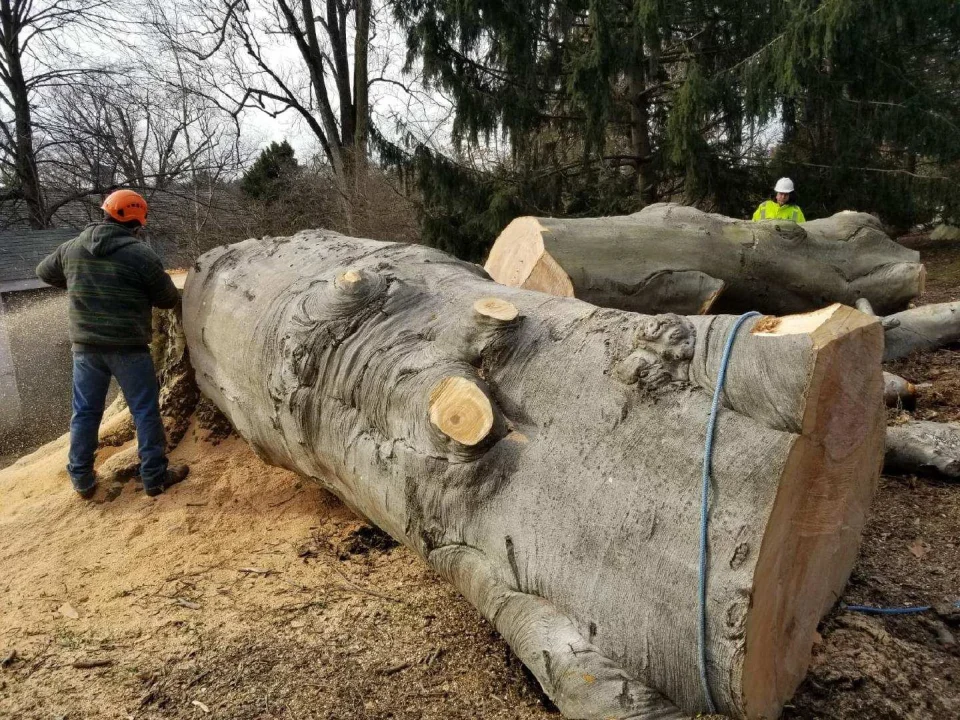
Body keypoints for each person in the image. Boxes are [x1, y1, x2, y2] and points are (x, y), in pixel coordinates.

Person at [36, 189, 189, 500]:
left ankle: (81, 479)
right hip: (128, 348)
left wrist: (81, 280)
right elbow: (169, 298)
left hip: (85, 348)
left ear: (104, 212)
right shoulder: (140, 255)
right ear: (137, 223)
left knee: (85, 413)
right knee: (145, 411)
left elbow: (44, 272)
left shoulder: (73, 247)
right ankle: (155, 477)